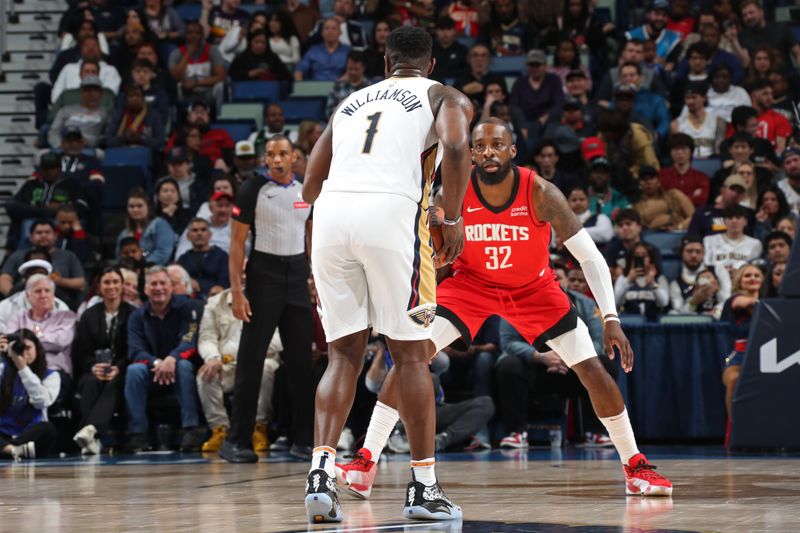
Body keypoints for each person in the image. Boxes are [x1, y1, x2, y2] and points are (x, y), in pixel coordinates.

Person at [337, 119, 672, 506]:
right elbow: (429, 256)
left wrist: (610, 319)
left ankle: (635, 465)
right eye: (480, 147)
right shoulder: (452, 193)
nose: (488, 153)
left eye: (497, 145)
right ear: (471, 153)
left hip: (533, 289)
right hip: (470, 286)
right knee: (412, 357)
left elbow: (590, 257)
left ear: (513, 150)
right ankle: (365, 463)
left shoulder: (541, 192)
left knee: (592, 368)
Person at [301, 26, 473, 522]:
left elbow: (311, 184)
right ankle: (422, 489)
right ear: (432, 65)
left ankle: (320, 472)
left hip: (332, 219)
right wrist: (454, 217)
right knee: (413, 356)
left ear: (384, 62)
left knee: (343, 356)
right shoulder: (443, 94)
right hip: (393, 215)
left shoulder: (351, 101)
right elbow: (457, 148)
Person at [219, 135, 315, 466]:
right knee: (251, 360)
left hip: (298, 276)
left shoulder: (306, 190)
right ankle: (237, 440)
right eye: (271, 154)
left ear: (294, 158)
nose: (277, 160)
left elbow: (311, 237)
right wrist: (236, 291)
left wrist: (316, 277)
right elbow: (236, 244)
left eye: (283, 154)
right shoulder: (252, 189)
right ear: (264, 159)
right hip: (264, 276)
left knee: (303, 365)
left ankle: (304, 440)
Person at [124, 266, 206, 453]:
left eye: (163, 283)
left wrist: (172, 359)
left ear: (171, 287)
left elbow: (189, 339)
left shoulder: (188, 308)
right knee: (134, 370)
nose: (158, 288)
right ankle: (137, 434)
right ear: (145, 289)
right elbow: (135, 350)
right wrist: (158, 363)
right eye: (153, 284)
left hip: (179, 367)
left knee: (184, 365)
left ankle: (191, 429)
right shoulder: (136, 316)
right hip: (152, 370)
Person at [196, 288, 283, 453]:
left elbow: (279, 339)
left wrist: (241, 353)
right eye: (239, 271)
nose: (243, 276)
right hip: (226, 364)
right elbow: (207, 337)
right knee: (206, 374)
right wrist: (212, 357)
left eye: (246, 270)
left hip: (262, 358)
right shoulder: (215, 303)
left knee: (266, 369)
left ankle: (259, 428)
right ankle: (220, 429)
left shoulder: (271, 299)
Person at [71, 267, 135, 455]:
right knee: (91, 383)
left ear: (122, 285)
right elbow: (81, 351)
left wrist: (119, 367)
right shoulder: (89, 315)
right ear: (99, 286)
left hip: (122, 370)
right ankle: (91, 439)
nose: (112, 286)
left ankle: (90, 430)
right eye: (107, 282)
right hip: (93, 369)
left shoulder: (133, 314)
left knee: (114, 384)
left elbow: (134, 348)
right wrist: (93, 366)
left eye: (116, 282)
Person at [7, 275, 78, 395]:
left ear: (53, 294)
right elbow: (11, 342)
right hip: (20, 370)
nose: (43, 295)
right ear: (28, 296)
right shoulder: (17, 318)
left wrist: (29, 341)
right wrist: (44, 338)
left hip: (53, 371)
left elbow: (60, 342)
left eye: (47, 290)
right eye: (38, 291)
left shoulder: (66, 317)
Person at [0, 330, 60, 460]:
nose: (24, 352)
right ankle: (12, 450)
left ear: (37, 349)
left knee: (48, 429)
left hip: (30, 435)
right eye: (19, 348)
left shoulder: (51, 375)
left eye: (28, 347)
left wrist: (22, 367)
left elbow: (41, 402)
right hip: (3, 432)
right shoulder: (3, 370)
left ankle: (6, 450)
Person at [0, 220, 86, 309]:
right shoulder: (17, 255)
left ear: (55, 236)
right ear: (30, 237)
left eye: (47, 232)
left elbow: (81, 283)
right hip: (22, 296)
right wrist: (15, 299)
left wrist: (60, 281)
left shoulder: (68, 255)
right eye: (39, 232)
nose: (43, 235)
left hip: (58, 296)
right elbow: (4, 278)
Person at [721, 263, 764, 419]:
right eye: (747, 275)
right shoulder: (734, 300)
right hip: (739, 357)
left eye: (756, 275)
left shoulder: (768, 302)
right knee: (734, 379)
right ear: (739, 281)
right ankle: (736, 426)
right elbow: (747, 303)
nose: (753, 278)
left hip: (766, 356)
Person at [168, 21, 227, 110]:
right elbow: (174, 77)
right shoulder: (177, 53)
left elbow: (221, 76)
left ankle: (219, 115)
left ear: (202, 35)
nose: (193, 36)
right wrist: (188, 53)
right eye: (190, 33)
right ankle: (180, 115)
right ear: (185, 35)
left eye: (197, 33)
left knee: (220, 86)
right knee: (177, 86)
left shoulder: (212, 50)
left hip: (208, 89)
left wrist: (196, 83)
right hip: (186, 91)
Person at [703, 205, 763, 289]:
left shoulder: (755, 244)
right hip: (715, 284)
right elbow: (706, 266)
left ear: (745, 221)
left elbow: (755, 269)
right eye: (730, 218)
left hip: (744, 285)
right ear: (724, 221)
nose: (734, 221)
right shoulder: (709, 240)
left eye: (738, 218)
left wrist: (739, 273)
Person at [669, 236, 727, 317]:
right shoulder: (676, 284)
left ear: (703, 254)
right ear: (681, 253)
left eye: (698, 251)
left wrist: (717, 291)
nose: (694, 255)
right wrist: (693, 301)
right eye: (689, 251)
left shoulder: (718, 271)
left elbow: (727, 300)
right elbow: (678, 313)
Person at [116, 188, 177, 266]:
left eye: (139, 206)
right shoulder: (123, 234)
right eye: (131, 206)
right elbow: (119, 258)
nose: (135, 209)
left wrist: (141, 266)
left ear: (148, 207)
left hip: (156, 271)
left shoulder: (160, 224)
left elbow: (163, 253)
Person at [48, 76, 111, 149]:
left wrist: (91, 141)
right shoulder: (66, 110)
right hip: (64, 146)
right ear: (81, 92)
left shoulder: (106, 113)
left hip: (90, 148)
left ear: (101, 93)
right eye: (88, 91)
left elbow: (108, 136)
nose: (92, 94)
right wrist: (59, 145)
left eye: (95, 91)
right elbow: (53, 132)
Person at [613, 243, 669, 319]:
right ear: (631, 259)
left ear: (651, 259)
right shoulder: (623, 278)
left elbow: (664, 303)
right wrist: (628, 281)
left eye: (644, 255)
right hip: (628, 322)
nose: (640, 258)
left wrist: (653, 284)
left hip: (653, 322)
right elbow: (617, 302)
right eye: (636, 255)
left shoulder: (659, 278)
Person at [177, 218, 230, 298]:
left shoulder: (222, 256)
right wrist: (188, 280)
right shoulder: (183, 259)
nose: (199, 233)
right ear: (188, 236)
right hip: (189, 300)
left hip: (216, 299)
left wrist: (218, 289)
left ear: (210, 235)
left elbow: (226, 280)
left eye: (203, 230)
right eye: (195, 230)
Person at [671, 81, 725, 159]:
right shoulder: (676, 125)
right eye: (687, 98)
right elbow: (675, 152)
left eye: (694, 97)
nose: (690, 102)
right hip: (688, 165)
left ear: (704, 98)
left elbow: (719, 150)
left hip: (712, 162)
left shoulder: (717, 121)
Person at [634, 166, 695, 231]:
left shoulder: (674, 195)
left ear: (658, 181)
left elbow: (694, 217)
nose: (648, 182)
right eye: (644, 179)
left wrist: (678, 227)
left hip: (679, 233)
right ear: (640, 184)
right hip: (652, 237)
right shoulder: (637, 207)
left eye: (651, 178)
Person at [659, 133, 710, 208]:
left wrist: (674, 199)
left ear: (691, 152)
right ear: (670, 153)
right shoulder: (662, 175)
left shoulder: (702, 178)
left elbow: (701, 201)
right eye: (676, 149)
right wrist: (692, 197)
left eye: (683, 148)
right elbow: (661, 200)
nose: (680, 152)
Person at [326, 51, 370, 117]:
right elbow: (329, 111)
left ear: (363, 68)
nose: (353, 72)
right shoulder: (338, 86)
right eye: (350, 68)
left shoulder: (369, 88)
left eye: (356, 69)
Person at [778, 147, 800, 217]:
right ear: (783, 168)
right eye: (788, 162)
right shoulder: (778, 188)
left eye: (796, 160)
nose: (793, 165)